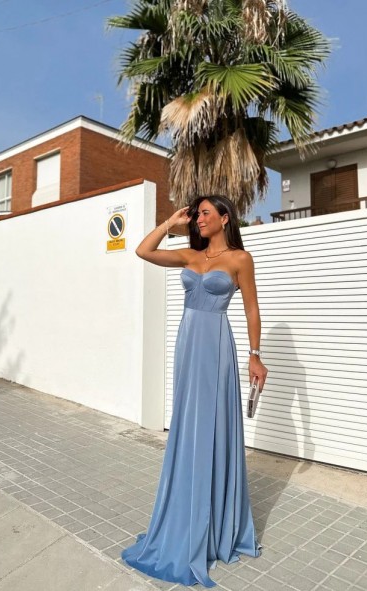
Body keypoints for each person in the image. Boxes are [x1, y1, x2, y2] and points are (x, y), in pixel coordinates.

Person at [121, 195, 269, 587]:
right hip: (188, 344)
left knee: (213, 425)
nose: (199, 219)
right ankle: (184, 508)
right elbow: (143, 251)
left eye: (205, 213)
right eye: (197, 214)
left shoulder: (240, 259)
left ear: (225, 218)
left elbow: (251, 308)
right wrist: (169, 223)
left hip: (216, 345)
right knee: (188, 425)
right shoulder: (189, 255)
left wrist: (255, 356)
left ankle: (214, 521)